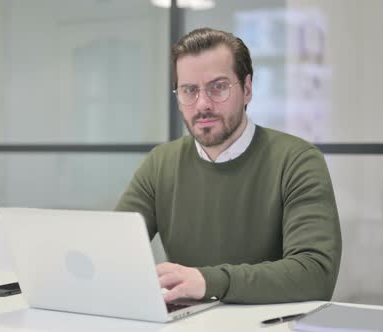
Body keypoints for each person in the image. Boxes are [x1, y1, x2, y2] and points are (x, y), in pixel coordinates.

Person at [115, 28, 341, 304]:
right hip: (188, 323)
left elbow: (315, 274)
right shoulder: (160, 163)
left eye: (218, 87)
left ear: (247, 89)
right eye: (189, 90)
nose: (203, 104)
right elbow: (114, 251)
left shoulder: (297, 160)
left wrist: (210, 282)